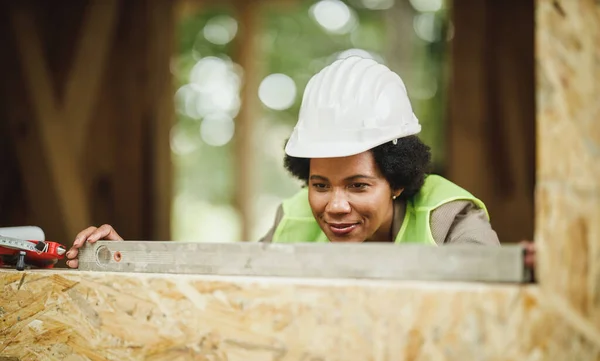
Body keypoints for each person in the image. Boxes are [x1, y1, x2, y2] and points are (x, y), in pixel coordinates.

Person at [66, 56, 533, 268]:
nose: (334, 206)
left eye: (357, 185)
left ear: (397, 180)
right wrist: (124, 263)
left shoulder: (449, 216)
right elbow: (229, 289)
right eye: (320, 184)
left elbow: (494, 290)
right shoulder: (291, 217)